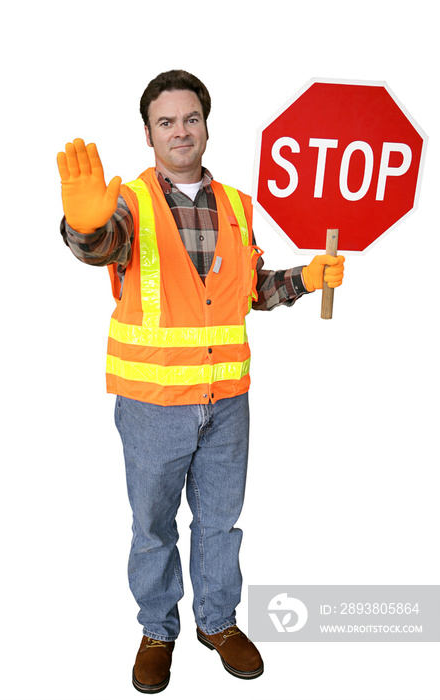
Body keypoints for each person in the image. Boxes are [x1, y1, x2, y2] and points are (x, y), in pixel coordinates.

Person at [57, 69, 344, 694]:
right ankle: (158, 631)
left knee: (221, 522)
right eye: (167, 122)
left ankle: (217, 622)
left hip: (228, 403)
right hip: (154, 403)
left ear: (207, 126)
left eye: (190, 118)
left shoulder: (240, 205)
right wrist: (83, 227)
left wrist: (307, 279)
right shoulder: (128, 203)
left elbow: (250, 292)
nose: (180, 130)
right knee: (153, 525)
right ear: (149, 133)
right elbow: (102, 245)